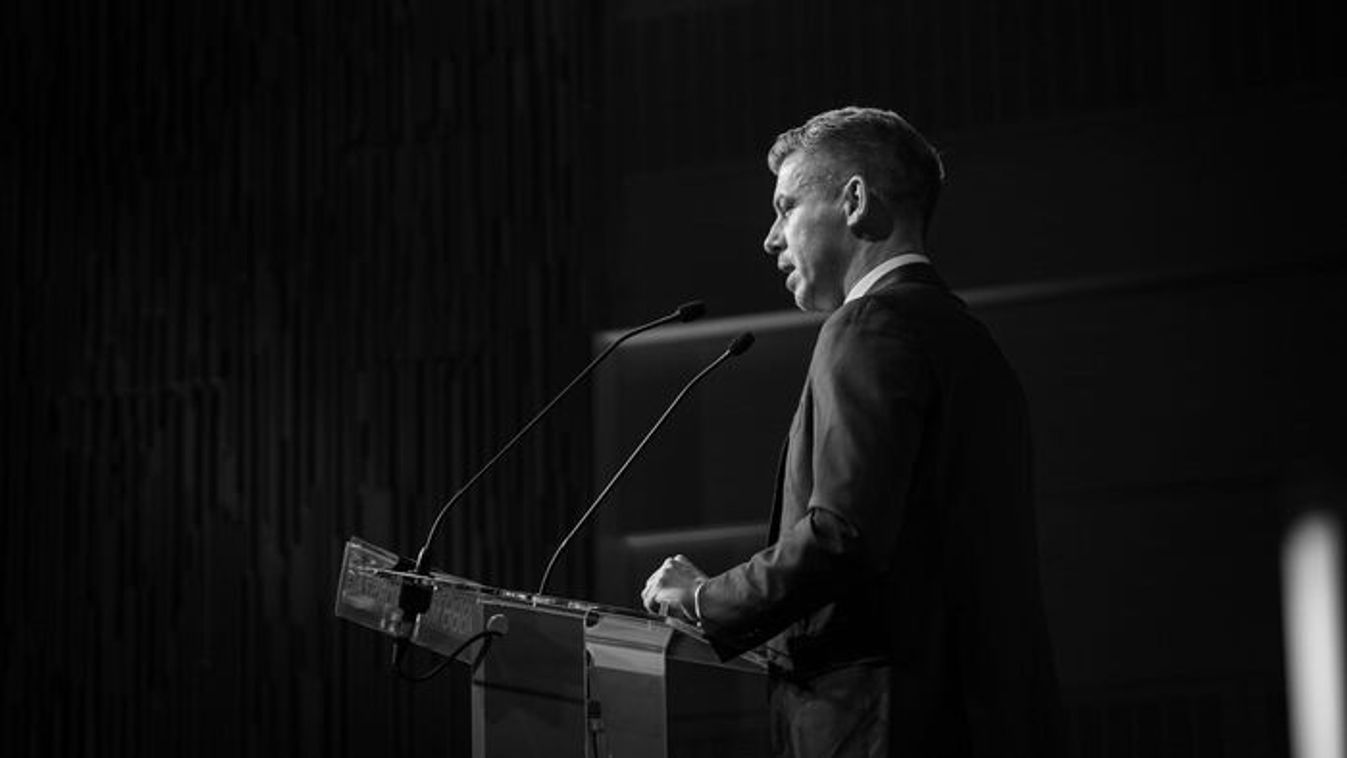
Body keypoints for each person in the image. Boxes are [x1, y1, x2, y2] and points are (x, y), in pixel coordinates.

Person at [641, 107, 1063, 757]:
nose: (770, 239)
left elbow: (843, 536)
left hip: (879, 724)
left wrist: (703, 598)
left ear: (855, 201)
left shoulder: (868, 325)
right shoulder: (974, 345)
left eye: (786, 207)